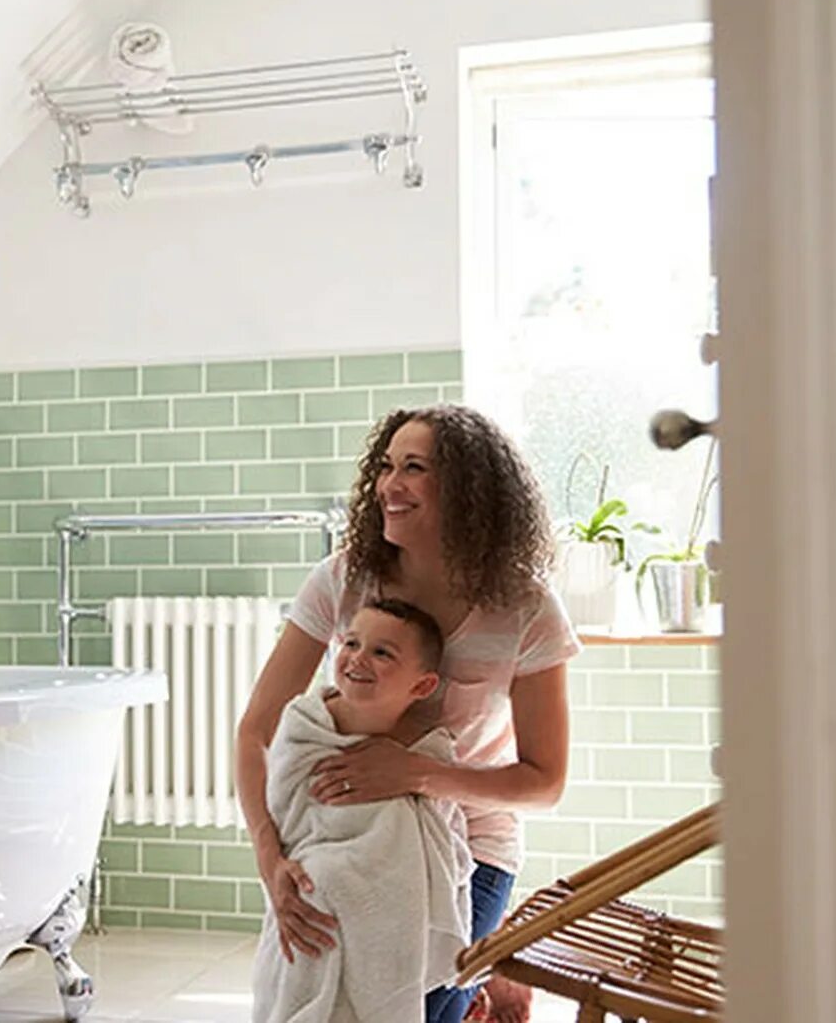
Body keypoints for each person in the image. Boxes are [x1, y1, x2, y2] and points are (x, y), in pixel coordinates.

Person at [236, 404, 579, 1023]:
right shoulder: (342, 580)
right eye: (386, 467)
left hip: (473, 845)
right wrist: (269, 857)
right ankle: (488, 981)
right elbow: (258, 729)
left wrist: (416, 775)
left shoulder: (527, 607)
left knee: (420, 1003)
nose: (387, 487)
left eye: (413, 468)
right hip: (346, 835)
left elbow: (544, 782)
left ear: (469, 491)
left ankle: (480, 977)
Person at [251, 599, 473, 1023]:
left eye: (382, 653)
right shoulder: (306, 724)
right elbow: (288, 810)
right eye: (351, 642)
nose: (357, 658)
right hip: (312, 868)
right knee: (318, 888)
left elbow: (443, 839)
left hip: (390, 888)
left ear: (422, 687)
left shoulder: (428, 748)